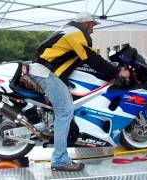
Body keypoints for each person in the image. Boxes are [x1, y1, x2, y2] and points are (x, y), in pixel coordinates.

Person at [27, 11, 130, 171]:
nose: (93, 30)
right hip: (46, 73)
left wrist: (109, 68)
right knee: (65, 112)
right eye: (93, 25)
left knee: (64, 109)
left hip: (44, 71)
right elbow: (90, 58)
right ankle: (60, 160)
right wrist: (117, 73)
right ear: (87, 23)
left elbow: (86, 58)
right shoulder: (76, 33)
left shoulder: (67, 30)